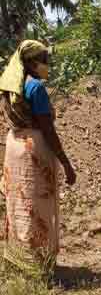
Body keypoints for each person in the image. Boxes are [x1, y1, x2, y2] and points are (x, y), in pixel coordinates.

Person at [0, 40, 76, 279]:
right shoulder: (35, 88)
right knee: (38, 206)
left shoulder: (9, 87)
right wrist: (65, 162)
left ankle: (18, 260)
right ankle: (39, 266)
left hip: (14, 146)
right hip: (34, 150)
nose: (47, 65)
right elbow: (47, 129)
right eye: (45, 60)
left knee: (19, 205)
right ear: (32, 62)